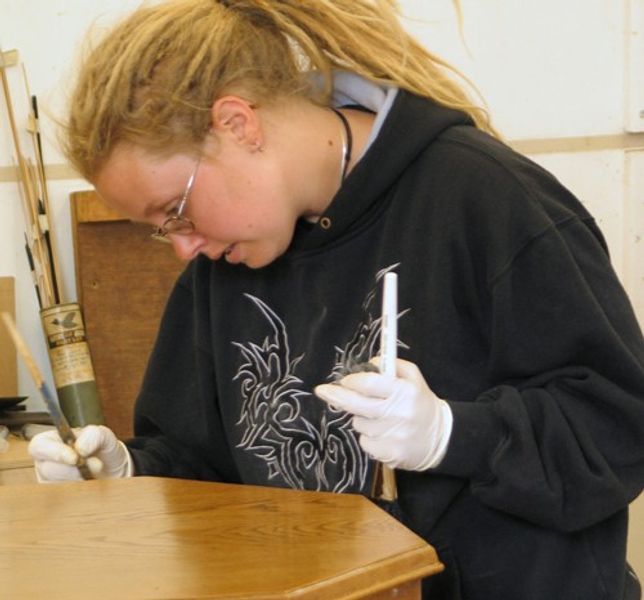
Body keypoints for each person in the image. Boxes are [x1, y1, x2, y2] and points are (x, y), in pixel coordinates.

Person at [28, 1, 644, 598]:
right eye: (161, 229)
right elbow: (207, 464)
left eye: (176, 211)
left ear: (238, 125)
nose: (183, 248)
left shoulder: (483, 199)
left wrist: (452, 435)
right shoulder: (225, 262)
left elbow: (618, 424)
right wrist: (128, 474)